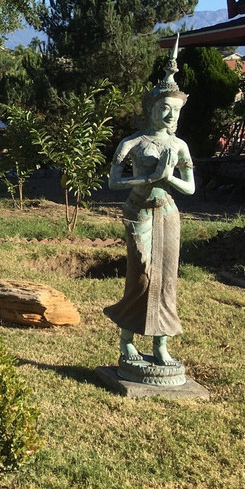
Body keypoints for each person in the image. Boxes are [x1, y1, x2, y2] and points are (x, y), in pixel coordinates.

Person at [104, 49, 194, 367]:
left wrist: (167, 177)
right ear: (151, 108)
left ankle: (161, 344)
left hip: (168, 213)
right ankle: (127, 339)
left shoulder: (178, 146)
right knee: (140, 275)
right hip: (139, 211)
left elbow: (190, 187)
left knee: (167, 279)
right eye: (164, 108)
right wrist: (148, 177)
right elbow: (114, 182)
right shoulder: (133, 142)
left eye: (175, 110)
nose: (170, 116)